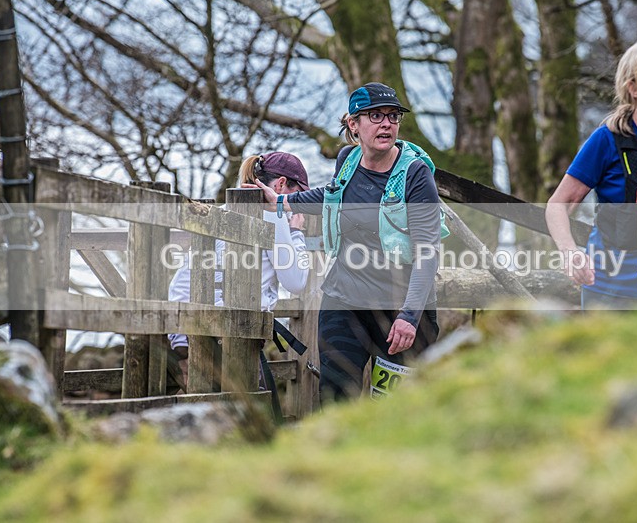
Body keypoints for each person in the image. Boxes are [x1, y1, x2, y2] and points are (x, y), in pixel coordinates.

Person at [252, 82, 442, 402]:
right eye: (376, 116)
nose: (387, 124)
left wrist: (410, 317)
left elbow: (428, 251)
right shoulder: (347, 161)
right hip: (344, 302)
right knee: (336, 400)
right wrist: (284, 202)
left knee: (394, 409)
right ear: (354, 124)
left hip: (399, 310)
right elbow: (329, 197)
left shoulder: (415, 174)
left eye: (393, 117)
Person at [545, 36, 637, 308]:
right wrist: (570, 252)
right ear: (633, 87)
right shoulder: (607, 139)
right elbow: (558, 204)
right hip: (609, 287)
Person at [167, 151, 310, 388]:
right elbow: (296, 281)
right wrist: (296, 233)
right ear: (282, 184)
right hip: (237, 336)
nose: (298, 204)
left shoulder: (223, 210)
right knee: (251, 416)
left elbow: (182, 280)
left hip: (188, 332)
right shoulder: (274, 218)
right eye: (298, 195)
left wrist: (180, 341)